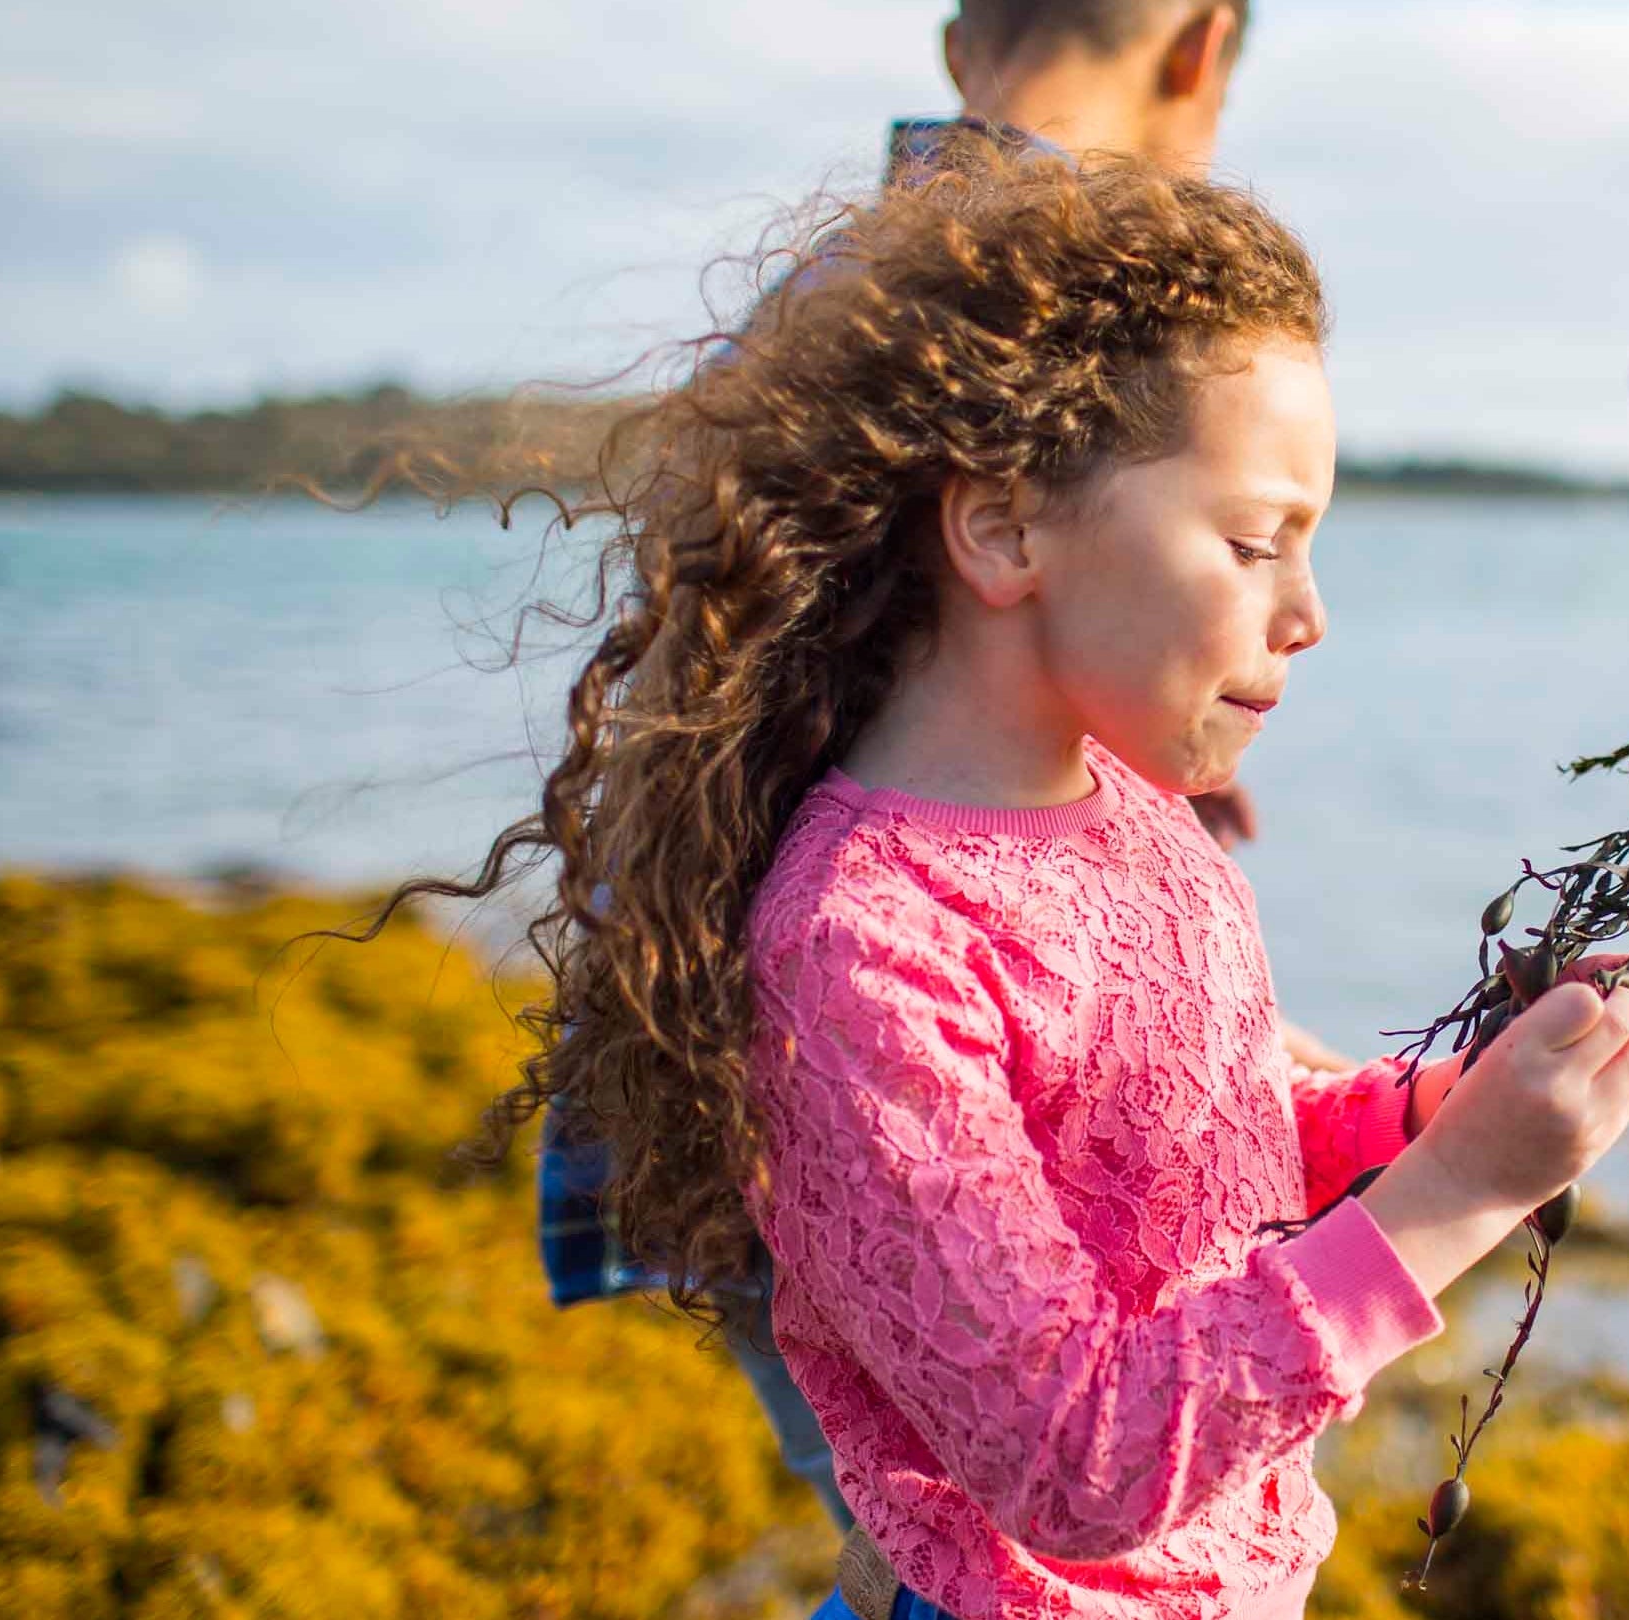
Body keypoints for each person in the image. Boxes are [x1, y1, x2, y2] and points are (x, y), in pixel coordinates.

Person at [424, 145, 1629, 1620]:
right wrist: (1466, 1193)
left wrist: (1438, 1111)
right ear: (1005, 527)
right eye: (1250, 541)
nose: (1312, 613)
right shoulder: (862, 948)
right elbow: (1075, 1462)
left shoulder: (1144, 820)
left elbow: (1199, 1155)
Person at [533, 0, 1355, 1543]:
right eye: (1254, 541)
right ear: (1199, 43)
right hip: (856, 1084)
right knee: (958, 1546)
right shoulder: (1061, 315)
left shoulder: (832, 296)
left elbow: (786, 691)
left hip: (720, 1040)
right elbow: (909, 835)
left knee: (916, 1536)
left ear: (963, 28)